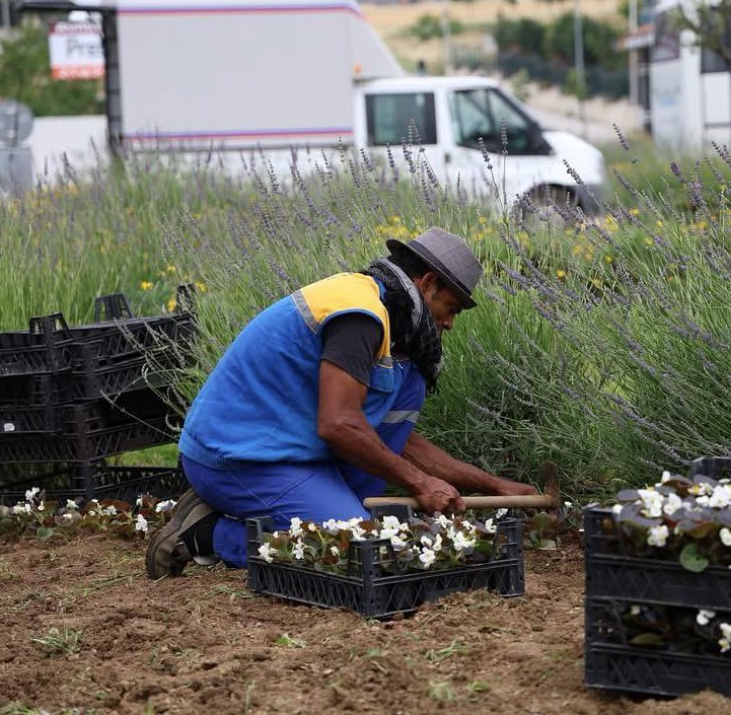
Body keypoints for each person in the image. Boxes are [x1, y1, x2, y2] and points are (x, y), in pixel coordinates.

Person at [146, 227, 538, 578]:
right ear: (428, 283)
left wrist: (493, 484)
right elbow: (338, 425)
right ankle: (205, 533)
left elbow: (393, 440)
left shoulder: (390, 327)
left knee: (410, 383)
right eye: (450, 309)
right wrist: (420, 483)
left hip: (285, 453)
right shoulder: (360, 314)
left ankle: (319, 508)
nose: (449, 323)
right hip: (235, 456)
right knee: (354, 550)